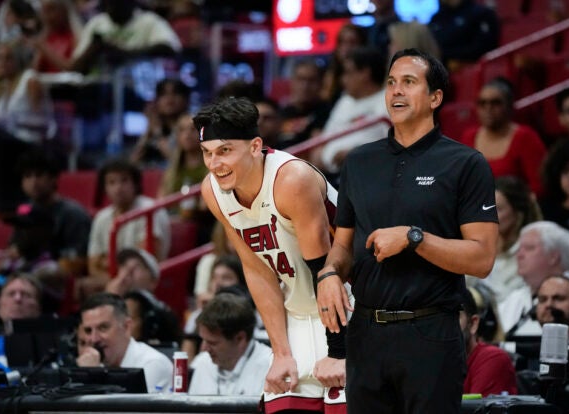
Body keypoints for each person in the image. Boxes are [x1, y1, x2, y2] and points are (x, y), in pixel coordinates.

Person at [319, 48, 499, 413]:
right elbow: (342, 247)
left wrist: (415, 238)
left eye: (409, 82)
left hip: (430, 332)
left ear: (435, 98)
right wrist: (328, 274)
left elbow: (481, 259)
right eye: (390, 83)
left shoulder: (465, 163)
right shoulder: (358, 161)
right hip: (366, 332)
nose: (395, 91)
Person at [195, 96, 348, 412]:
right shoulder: (213, 190)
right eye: (207, 153)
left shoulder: (292, 180)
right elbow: (257, 270)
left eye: (225, 151)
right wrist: (281, 353)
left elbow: (325, 273)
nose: (215, 164)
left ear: (254, 147)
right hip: (298, 311)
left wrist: (339, 352)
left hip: (350, 307)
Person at [499, 221, 569, 338]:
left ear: (553, 257)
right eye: (519, 249)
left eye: (529, 248)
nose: (519, 255)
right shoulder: (514, 298)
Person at [310, 46, 390, 178]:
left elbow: (394, 145)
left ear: (365, 74)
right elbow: (324, 140)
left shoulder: (389, 100)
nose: (342, 80)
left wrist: (356, 154)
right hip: (331, 175)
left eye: (348, 72)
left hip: (369, 176)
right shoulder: (345, 101)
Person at [459, 77, 547, 196]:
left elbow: (539, 187)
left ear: (509, 106)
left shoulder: (526, 138)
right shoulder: (468, 137)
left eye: (495, 103)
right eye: (482, 103)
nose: (488, 108)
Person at [76, 292, 173, 393]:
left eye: (103, 328)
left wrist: (93, 376)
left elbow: (124, 408)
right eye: (88, 330)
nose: (94, 339)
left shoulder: (152, 364)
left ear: (126, 327)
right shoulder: (96, 364)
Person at [467, 176, 542, 305]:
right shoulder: (480, 243)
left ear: (518, 213)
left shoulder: (531, 252)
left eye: (498, 209)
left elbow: (510, 299)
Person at [188, 292, 272, 395]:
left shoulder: (270, 368)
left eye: (212, 343)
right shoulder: (202, 363)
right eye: (203, 340)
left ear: (240, 339)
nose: (204, 348)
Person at [69, 0, 181, 74]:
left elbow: (169, 48)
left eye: (117, 3)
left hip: (139, 89)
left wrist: (123, 53)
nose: (112, 8)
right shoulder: (97, 23)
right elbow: (74, 68)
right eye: (108, 3)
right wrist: (94, 48)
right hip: (101, 88)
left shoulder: (149, 21)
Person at [460, 287, 517, 397]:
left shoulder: (493, 359)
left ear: (473, 324)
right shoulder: (426, 362)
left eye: (452, 317)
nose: (441, 327)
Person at [0, 273, 42, 371]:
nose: (17, 299)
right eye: (11, 294)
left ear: (39, 305)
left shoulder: (55, 348)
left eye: (26, 295)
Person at [130, 78, 190, 167]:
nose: (169, 99)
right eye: (163, 94)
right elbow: (132, 162)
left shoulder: (192, 129)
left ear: (186, 100)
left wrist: (157, 132)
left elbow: (180, 163)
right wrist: (149, 129)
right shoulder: (155, 128)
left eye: (176, 93)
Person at [428, 0, 499, 70]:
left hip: (466, 67)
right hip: (435, 65)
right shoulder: (437, 18)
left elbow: (483, 49)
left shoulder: (481, 14)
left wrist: (447, 55)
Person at [277, 58, 331, 148]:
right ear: (292, 81)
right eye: (300, 79)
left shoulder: (329, 113)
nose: (305, 86)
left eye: (311, 80)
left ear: (321, 84)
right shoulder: (281, 113)